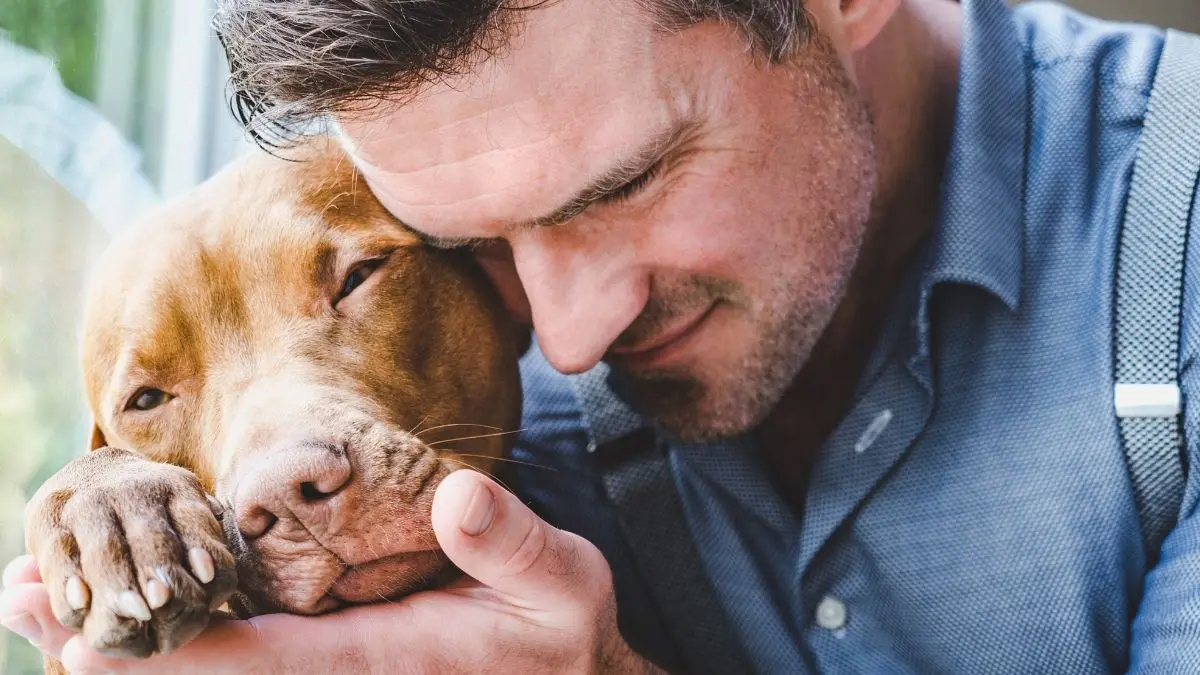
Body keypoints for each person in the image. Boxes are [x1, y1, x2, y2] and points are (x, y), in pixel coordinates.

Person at [4, 0, 1200, 671]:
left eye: (621, 186)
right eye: (470, 240)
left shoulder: (1173, 257)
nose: (564, 345)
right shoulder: (460, 411)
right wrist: (115, 503)